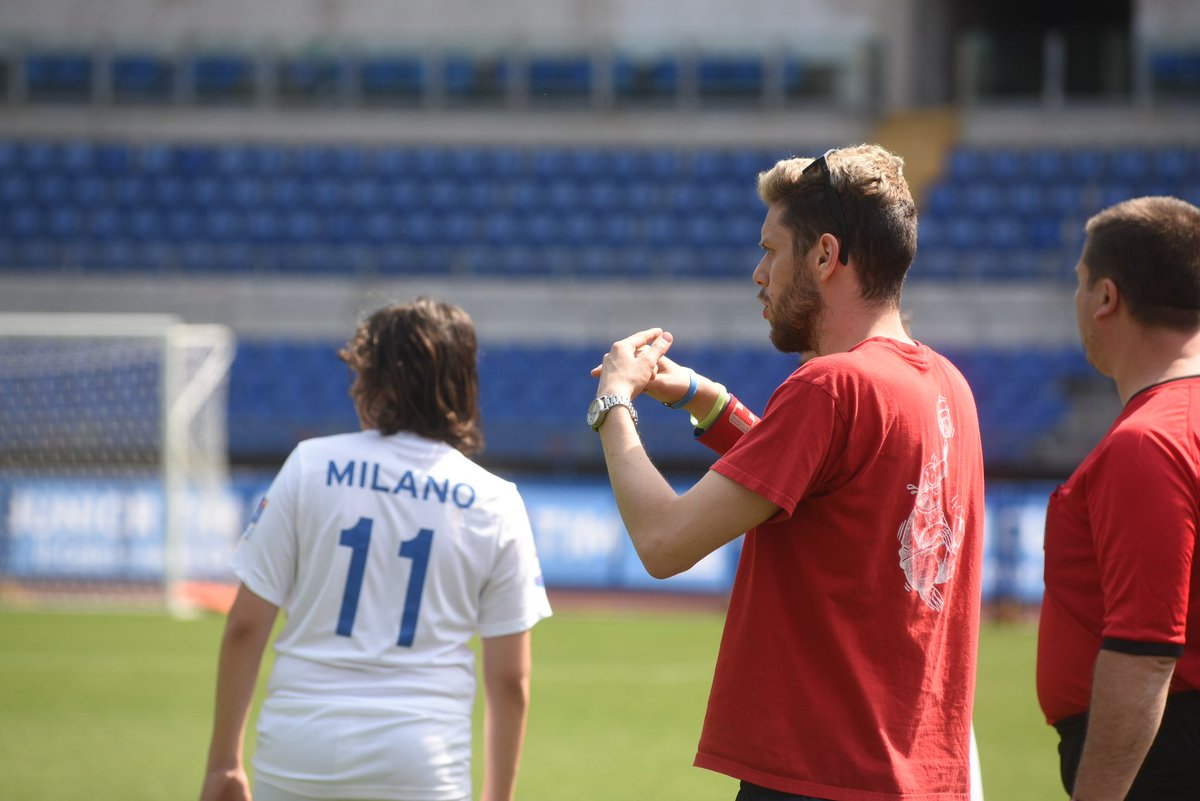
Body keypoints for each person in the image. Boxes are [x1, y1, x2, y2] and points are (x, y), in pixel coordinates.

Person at [590, 144, 985, 800]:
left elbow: (663, 541)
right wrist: (702, 399)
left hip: (821, 774)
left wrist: (614, 403)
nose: (758, 273)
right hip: (919, 776)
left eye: (772, 250)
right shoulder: (948, 384)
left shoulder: (829, 386)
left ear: (826, 256)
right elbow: (824, 483)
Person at [200, 297, 552, 801]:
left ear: (377, 381)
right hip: (421, 757)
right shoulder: (496, 500)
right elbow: (510, 680)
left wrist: (223, 765)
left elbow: (245, 627)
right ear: (462, 382)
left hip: (300, 747)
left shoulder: (309, 464)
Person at [1036, 196, 1200, 801]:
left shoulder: (1150, 441)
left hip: (1161, 758)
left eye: (1080, 282)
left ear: (1106, 297)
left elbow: (1146, 653)